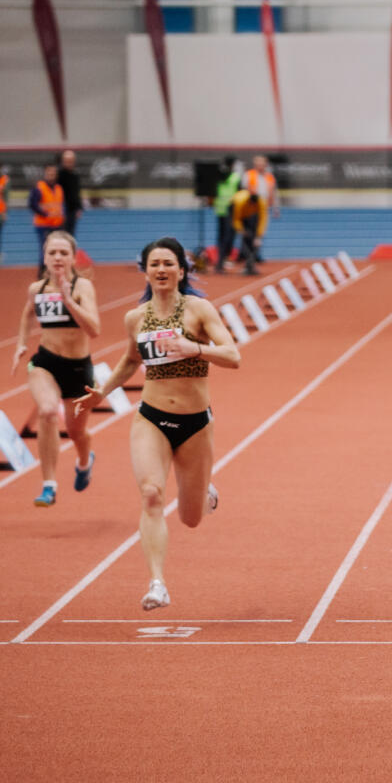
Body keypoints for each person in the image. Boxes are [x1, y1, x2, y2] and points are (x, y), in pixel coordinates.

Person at [75, 237, 240, 610]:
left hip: (195, 424)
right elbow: (131, 361)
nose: (161, 270)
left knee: (191, 518)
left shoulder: (199, 311)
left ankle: (203, 490)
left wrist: (194, 348)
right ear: (146, 271)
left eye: (168, 263)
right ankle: (157, 583)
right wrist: (103, 391)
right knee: (151, 494)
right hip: (151, 417)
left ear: (182, 270)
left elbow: (233, 356)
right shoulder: (136, 318)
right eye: (155, 264)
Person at [11, 230, 100, 505]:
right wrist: (21, 344)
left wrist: (69, 301)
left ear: (73, 258)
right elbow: (27, 314)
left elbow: (94, 329)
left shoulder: (82, 287)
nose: (58, 257)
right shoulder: (36, 289)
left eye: (64, 253)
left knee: (76, 433)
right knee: (48, 411)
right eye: (52, 253)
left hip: (78, 369)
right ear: (45, 257)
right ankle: (48, 484)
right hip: (45, 363)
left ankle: (85, 460)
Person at [28, 164, 65, 274]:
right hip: (43, 225)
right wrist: (43, 213)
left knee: (57, 249)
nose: (51, 175)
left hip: (57, 224)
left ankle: (54, 271)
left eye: (53, 173)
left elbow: (60, 205)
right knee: (45, 249)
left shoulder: (59, 188)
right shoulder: (39, 188)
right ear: (45, 173)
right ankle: (42, 272)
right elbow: (32, 204)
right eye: (49, 173)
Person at [211, 156, 241, 272]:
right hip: (229, 209)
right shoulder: (235, 177)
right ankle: (222, 261)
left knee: (222, 236)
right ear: (233, 165)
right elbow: (240, 192)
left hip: (220, 208)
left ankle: (221, 261)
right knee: (228, 237)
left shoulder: (218, 176)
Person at [230, 188, 267, 276]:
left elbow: (262, 219)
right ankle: (248, 264)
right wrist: (241, 231)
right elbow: (236, 219)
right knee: (245, 242)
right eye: (251, 203)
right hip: (238, 212)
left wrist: (259, 236)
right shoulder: (240, 202)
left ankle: (250, 265)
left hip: (251, 215)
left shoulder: (261, 202)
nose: (253, 205)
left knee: (254, 242)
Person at [58, 150, 83, 238]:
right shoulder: (59, 175)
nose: (69, 163)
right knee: (62, 234)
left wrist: (79, 207)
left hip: (72, 210)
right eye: (67, 161)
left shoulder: (75, 175)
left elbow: (77, 192)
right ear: (63, 161)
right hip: (62, 210)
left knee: (71, 234)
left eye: (71, 161)